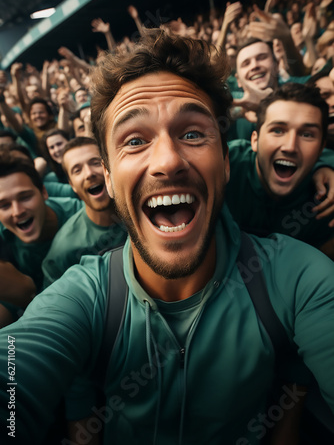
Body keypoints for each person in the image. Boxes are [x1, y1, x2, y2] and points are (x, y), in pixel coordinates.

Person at [0, 29, 333, 445]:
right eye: (135, 140)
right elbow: (13, 374)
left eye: (192, 134)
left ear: (227, 162)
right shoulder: (84, 296)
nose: (168, 160)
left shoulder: (300, 280)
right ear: (108, 177)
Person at [226, 82, 334, 257]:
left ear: (322, 148)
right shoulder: (225, 164)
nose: (290, 146)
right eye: (277, 130)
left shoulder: (325, 199)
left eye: (307, 135)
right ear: (255, 140)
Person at [0, 154, 82, 326]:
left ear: (44, 192)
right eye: (4, 205)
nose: (17, 211)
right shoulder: (5, 239)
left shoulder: (79, 216)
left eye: (25, 197)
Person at [42, 137, 128, 286]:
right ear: (72, 185)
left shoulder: (144, 213)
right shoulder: (63, 251)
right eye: (77, 170)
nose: (89, 173)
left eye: (95, 163)